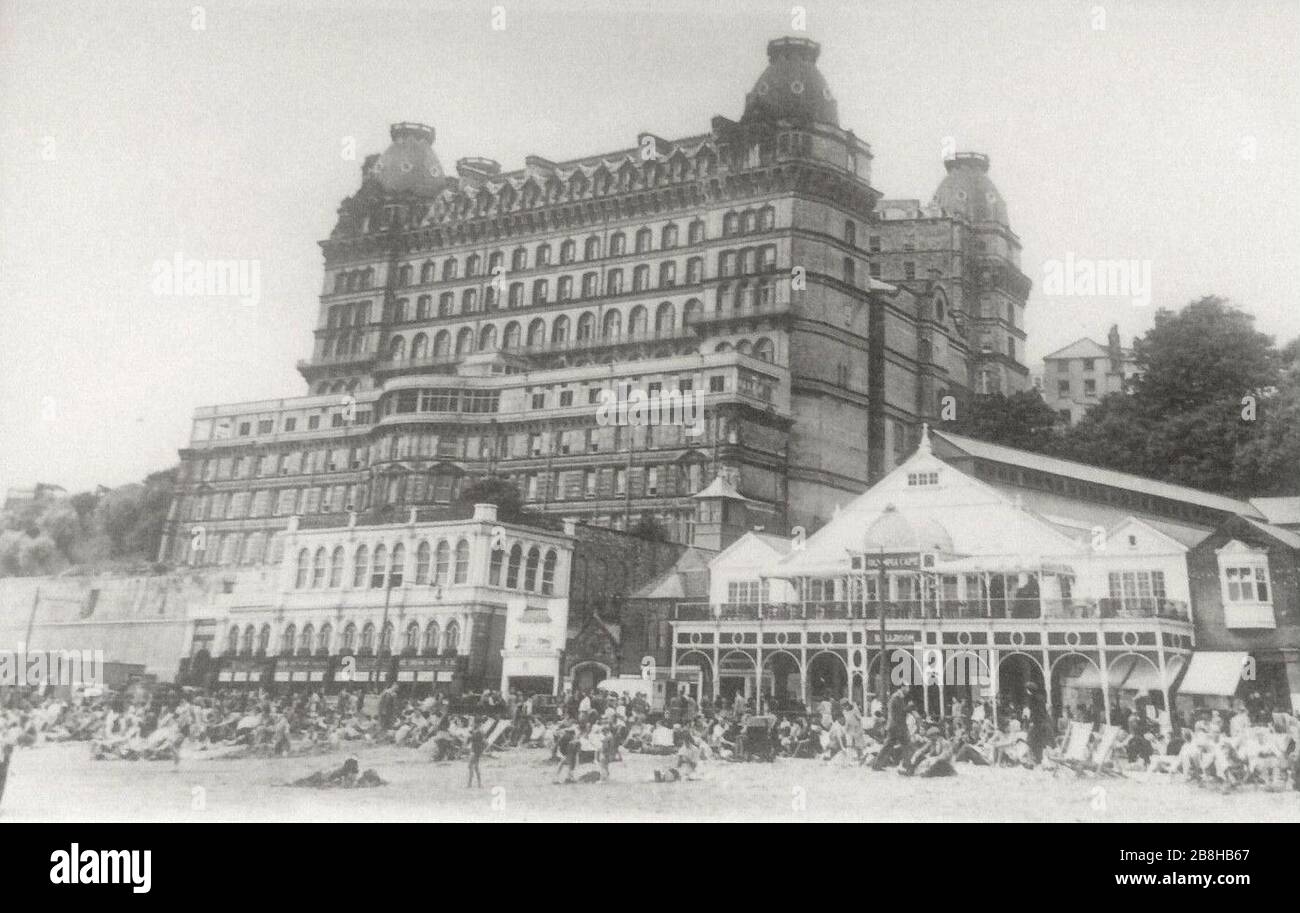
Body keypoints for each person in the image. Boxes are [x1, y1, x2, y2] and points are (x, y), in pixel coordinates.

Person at [872, 685, 911, 771]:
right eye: (907, 687)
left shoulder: (897, 697)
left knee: (889, 746)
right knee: (905, 745)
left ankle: (876, 765)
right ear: (902, 687)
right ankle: (907, 767)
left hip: (895, 726)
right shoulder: (896, 697)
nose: (908, 689)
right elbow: (899, 712)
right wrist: (908, 708)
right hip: (897, 726)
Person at [466, 717, 486, 788]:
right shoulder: (479, 731)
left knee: (471, 766)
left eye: (473, 722)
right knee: (475, 767)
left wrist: (470, 735)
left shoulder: (478, 731)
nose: (472, 724)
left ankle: (470, 784)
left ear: (477, 723)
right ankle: (478, 784)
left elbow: (471, 739)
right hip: (476, 750)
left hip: (475, 750)